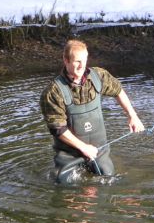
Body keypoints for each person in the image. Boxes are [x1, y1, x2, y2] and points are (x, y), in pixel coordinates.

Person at [40, 39, 144, 183]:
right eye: (77, 61)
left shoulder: (99, 76)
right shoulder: (53, 92)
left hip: (99, 150)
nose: (82, 66)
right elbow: (58, 129)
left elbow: (118, 91)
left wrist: (132, 116)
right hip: (69, 155)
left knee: (109, 179)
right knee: (65, 186)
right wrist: (84, 148)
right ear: (66, 60)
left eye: (84, 60)